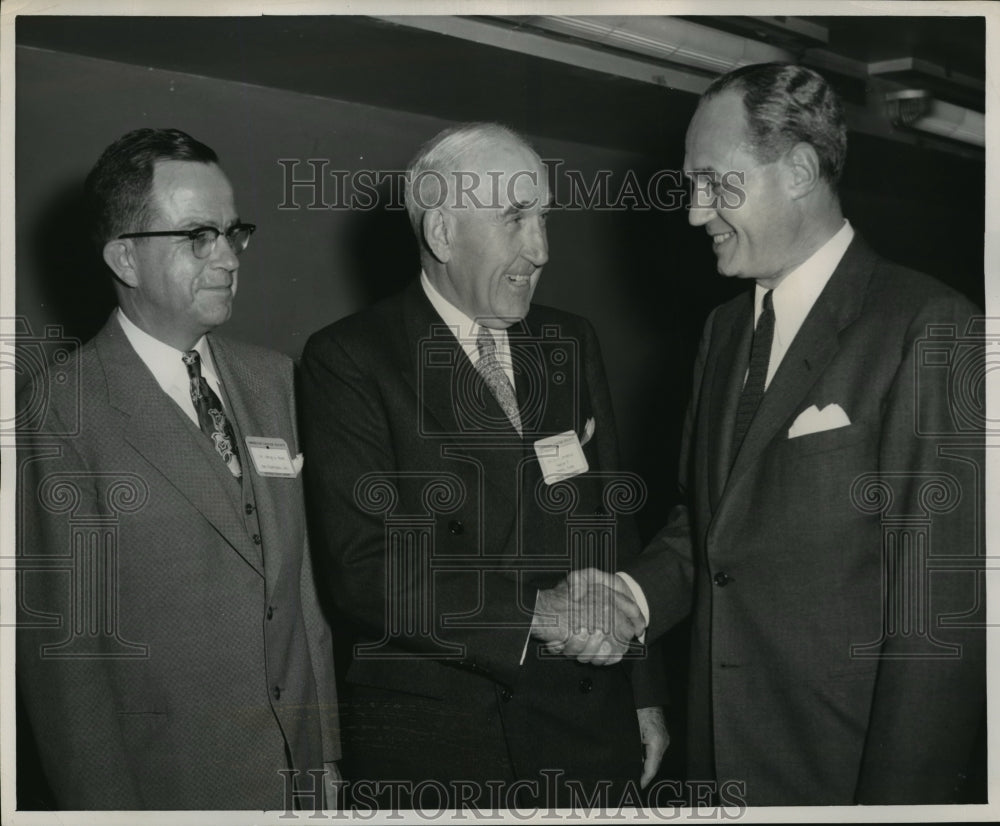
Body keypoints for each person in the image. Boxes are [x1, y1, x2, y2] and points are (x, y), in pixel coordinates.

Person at [567, 63, 986, 805]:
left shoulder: (928, 326)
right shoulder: (723, 332)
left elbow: (937, 624)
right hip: (718, 771)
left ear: (797, 170)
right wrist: (631, 593)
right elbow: (712, 530)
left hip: (840, 777)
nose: (696, 214)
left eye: (714, 184)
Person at [299, 122, 667, 809]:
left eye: (545, 218)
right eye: (515, 219)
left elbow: (613, 521)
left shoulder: (569, 340)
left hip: (589, 720)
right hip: (446, 740)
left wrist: (643, 695)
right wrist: (540, 616)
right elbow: (366, 569)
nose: (542, 249)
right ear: (441, 233)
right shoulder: (350, 359)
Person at [16, 128, 340, 810]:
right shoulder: (63, 408)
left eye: (233, 232)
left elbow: (302, 598)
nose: (226, 258)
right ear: (125, 259)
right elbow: (69, 675)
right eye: (198, 235)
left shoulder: (274, 378)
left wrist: (327, 760)